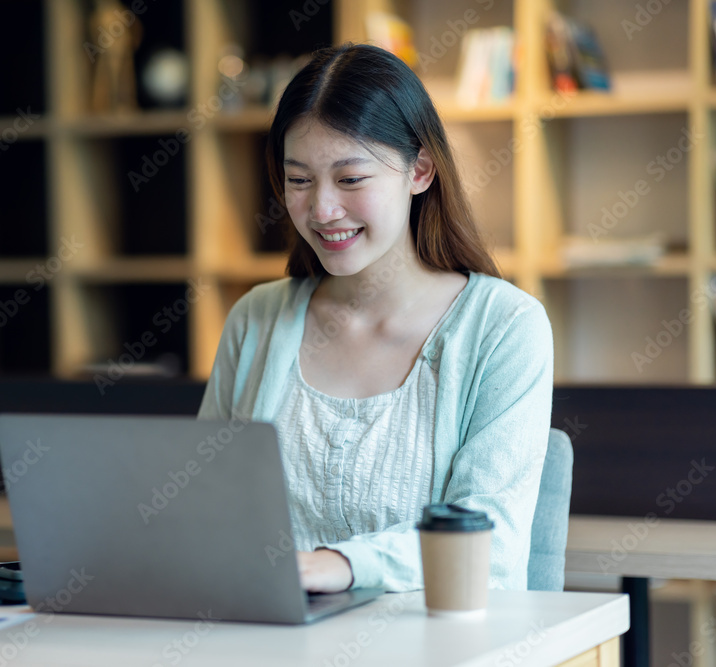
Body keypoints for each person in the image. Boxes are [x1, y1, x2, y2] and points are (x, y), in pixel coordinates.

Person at [197, 44, 553, 594]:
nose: (321, 209)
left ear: (420, 170)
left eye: (351, 179)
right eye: (298, 180)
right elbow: (203, 510)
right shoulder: (256, 320)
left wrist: (336, 566)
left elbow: (493, 547)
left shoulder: (504, 328)